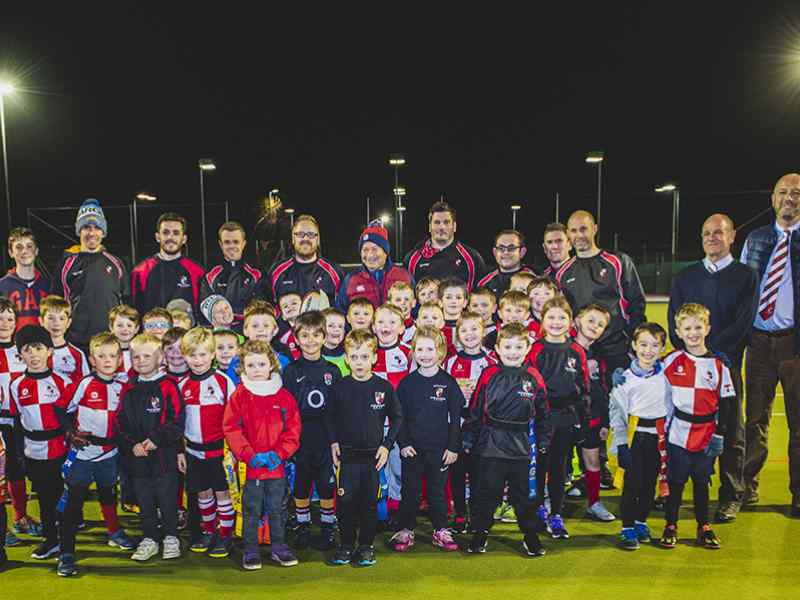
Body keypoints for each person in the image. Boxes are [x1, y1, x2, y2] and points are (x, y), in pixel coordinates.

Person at [668, 213, 758, 522]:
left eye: (719, 232)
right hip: (689, 366)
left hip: (725, 364)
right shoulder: (686, 276)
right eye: (707, 233)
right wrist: (692, 353)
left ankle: (731, 494)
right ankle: (677, 488)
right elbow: (674, 319)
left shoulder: (746, 276)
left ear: (732, 236)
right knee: (683, 426)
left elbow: (744, 321)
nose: (712, 237)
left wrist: (714, 354)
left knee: (731, 431)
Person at [740, 173, 800, 516]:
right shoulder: (757, 239)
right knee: (755, 420)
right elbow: (746, 289)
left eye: (795, 192)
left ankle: (798, 493)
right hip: (759, 343)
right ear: (772, 198)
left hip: (794, 344)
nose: (788, 197)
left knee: (798, 422)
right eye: (782, 192)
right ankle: (745, 487)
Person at [464, 323, 550, 557]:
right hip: (490, 445)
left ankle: (530, 537)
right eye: (508, 346)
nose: (513, 351)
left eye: (518, 346)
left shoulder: (533, 377)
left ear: (527, 348)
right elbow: (475, 409)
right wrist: (469, 438)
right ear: (498, 349)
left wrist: (543, 440)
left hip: (521, 447)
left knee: (523, 497)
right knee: (486, 494)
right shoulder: (489, 374)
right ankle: (480, 534)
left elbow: (543, 412)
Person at [57, 332, 135, 577]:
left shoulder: (124, 387)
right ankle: (66, 553)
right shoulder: (83, 384)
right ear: (92, 359)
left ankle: (114, 532)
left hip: (109, 454)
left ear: (119, 360)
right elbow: (62, 410)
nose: (108, 360)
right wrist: (70, 433)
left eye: (112, 356)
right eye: (101, 356)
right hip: (83, 454)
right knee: (74, 503)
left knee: (108, 495)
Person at [326, 329, 403, 567]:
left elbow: (398, 417)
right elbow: (329, 417)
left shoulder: (383, 387)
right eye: (354, 357)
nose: (359, 362)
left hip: (373, 459)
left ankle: (366, 546)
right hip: (347, 458)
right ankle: (347, 545)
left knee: (369, 504)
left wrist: (387, 446)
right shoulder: (340, 386)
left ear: (374, 358)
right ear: (347, 359)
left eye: (364, 356)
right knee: (346, 503)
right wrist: (333, 442)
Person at [660, 303, 733, 550]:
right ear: (678, 332)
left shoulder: (719, 365)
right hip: (678, 432)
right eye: (687, 328)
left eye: (698, 327)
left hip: (707, 434)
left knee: (702, 481)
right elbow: (646, 373)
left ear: (708, 329)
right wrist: (625, 374)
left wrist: (720, 434)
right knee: (676, 481)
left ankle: (704, 525)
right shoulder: (671, 361)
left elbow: (728, 402)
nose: (693, 333)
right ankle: (671, 524)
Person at [223, 340, 301, 570]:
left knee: (277, 508)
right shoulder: (239, 395)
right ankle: (251, 549)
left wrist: (279, 454)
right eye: (251, 365)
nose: (256, 369)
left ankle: (278, 547)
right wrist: (248, 454)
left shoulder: (284, 396)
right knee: (251, 509)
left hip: (276, 467)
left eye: (261, 364)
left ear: (272, 365)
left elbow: (293, 429)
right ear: (243, 368)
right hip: (251, 467)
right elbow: (231, 428)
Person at [391, 326, 463, 553]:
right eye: (420, 349)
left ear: (440, 352)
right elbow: (398, 418)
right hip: (412, 449)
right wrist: (403, 444)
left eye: (430, 349)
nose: (425, 354)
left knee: (437, 492)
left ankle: (440, 529)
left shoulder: (449, 383)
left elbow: (455, 419)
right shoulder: (406, 384)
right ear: (413, 352)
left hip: (440, 450)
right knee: (410, 492)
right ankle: (406, 529)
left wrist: (453, 447)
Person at [114, 333, 185, 562]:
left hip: (165, 457)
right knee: (144, 501)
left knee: (167, 499)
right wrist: (132, 444)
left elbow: (177, 421)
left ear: (160, 358)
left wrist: (156, 439)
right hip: (138, 458)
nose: (141, 361)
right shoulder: (129, 388)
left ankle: (171, 537)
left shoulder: (169, 387)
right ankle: (150, 539)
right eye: (136, 356)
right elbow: (120, 421)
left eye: (147, 356)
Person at [526, 296, 589, 539]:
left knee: (559, 467)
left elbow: (583, 388)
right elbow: (529, 384)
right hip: (541, 418)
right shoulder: (536, 349)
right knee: (539, 465)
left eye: (561, 317)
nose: (556, 322)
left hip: (565, 418)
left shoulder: (576, 351)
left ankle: (556, 514)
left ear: (571, 321)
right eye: (551, 317)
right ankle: (539, 509)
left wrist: (583, 421)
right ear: (542, 321)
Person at [8, 325, 71, 560]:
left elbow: (72, 420)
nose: (33, 354)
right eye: (27, 349)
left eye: (38, 348)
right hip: (34, 452)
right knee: (44, 499)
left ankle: (67, 543)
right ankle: (51, 540)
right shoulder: (16, 386)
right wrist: (19, 455)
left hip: (61, 450)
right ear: (20, 355)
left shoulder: (63, 382)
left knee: (64, 499)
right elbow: (17, 422)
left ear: (49, 351)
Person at [282, 311, 342, 550]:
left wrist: (336, 440)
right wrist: (289, 440)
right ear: (296, 339)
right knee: (301, 483)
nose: (310, 340)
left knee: (327, 485)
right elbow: (286, 410)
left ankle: (328, 526)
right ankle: (303, 525)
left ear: (324, 337)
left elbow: (338, 410)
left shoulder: (332, 370)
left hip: (326, 438)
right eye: (304, 335)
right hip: (301, 437)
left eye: (316, 335)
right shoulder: (291, 371)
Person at [178, 327, 237, 558]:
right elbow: (178, 423)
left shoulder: (223, 382)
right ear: (185, 356)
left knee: (222, 493)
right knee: (203, 494)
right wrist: (180, 452)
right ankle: (209, 531)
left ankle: (225, 535)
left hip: (219, 451)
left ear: (212, 354)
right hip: (193, 451)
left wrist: (232, 450)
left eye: (203, 354)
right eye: (193, 355)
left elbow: (234, 418)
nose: (198, 360)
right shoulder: (182, 385)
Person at [52, 199, 129, 352]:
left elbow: (126, 303)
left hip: (109, 343)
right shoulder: (66, 265)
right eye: (86, 227)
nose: (92, 233)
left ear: (103, 232)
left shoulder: (116, 263)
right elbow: (57, 305)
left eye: (97, 228)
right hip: (76, 342)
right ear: (79, 230)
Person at [444, 311, 496, 532]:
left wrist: (479, 392)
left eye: (474, 328)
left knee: (480, 471)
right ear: (458, 335)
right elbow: (442, 391)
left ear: (483, 331)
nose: (469, 334)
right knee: (457, 470)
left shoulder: (492, 360)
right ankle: (459, 513)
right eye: (464, 330)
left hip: (483, 426)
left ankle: (478, 512)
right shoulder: (450, 362)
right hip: (457, 423)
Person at [0, 299, 40, 542]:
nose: (4, 324)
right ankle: (1, 529)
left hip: (18, 421)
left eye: (9, 319)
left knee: (16, 470)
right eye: (0, 318)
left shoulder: (21, 351)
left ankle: (20, 516)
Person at [573, 303, 616, 522]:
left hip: (591, 417)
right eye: (591, 320)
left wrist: (605, 422)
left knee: (593, 461)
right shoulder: (564, 348)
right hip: (567, 417)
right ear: (577, 321)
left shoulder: (600, 355)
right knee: (556, 461)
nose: (595, 326)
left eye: (600, 325)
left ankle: (594, 502)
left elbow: (604, 390)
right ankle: (549, 502)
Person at [131, 212, 206, 318]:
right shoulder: (140, 271)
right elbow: (135, 311)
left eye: (176, 233)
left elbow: (202, 310)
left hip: (186, 333)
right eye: (165, 232)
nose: (170, 237)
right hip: (152, 333)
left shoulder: (197, 271)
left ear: (184, 239)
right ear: (157, 237)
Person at [405, 201, 486, 292]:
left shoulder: (472, 258)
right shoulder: (412, 259)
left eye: (446, 222)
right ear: (429, 226)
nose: (441, 227)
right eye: (437, 222)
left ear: (454, 226)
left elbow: (481, 294)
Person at [200, 221, 267, 328]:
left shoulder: (257, 274)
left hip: (249, 332)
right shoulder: (210, 276)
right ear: (221, 244)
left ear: (243, 244)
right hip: (221, 333)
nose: (231, 246)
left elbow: (261, 307)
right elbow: (207, 311)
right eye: (227, 242)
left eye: (236, 242)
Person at [337, 220, 413, 312]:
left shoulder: (403, 275)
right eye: (365, 250)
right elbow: (341, 312)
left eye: (374, 249)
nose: (369, 255)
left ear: (385, 252)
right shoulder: (351, 279)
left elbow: (415, 308)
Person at [269, 214, 344, 303]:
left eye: (311, 234)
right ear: (293, 239)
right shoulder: (277, 272)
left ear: (318, 239)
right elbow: (269, 308)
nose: (305, 238)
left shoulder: (334, 272)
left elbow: (341, 308)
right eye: (300, 234)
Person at [0, 227, 49, 330]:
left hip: (43, 344)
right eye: (19, 247)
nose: (24, 251)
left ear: (36, 251)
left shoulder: (49, 285)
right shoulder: (2, 286)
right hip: (12, 344)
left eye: (29, 246)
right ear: (10, 252)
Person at [39, 296, 89, 385]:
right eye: (51, 318)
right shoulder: (34, 352)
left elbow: (85, 386)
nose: (56, 323)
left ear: (68, 323)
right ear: (41, 321)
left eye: (61, 318)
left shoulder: (77, 354)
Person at [477, 230, 535, 299]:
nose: (506, 252)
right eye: (501, 248)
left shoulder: (534, 279)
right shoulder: (485, 283)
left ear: (522, 252)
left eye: (511, 248)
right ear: (495, 252)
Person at [108, 305, 140, 373]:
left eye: (129, 325)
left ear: (136, 329)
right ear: (111, 328)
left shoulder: (141, 352)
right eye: (120, 325)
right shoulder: (107, 353)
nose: (125, 329)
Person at [321, 307, 349, 376]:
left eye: (340, 326)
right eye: (331, 326)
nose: (336, 329)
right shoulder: (316, 354)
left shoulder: (348, 351)